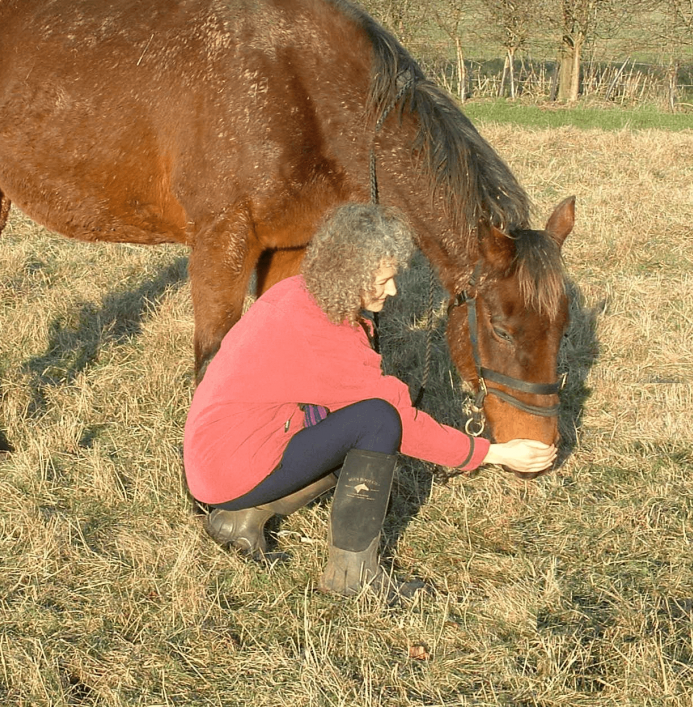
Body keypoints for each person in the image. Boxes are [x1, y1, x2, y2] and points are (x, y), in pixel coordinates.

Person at [183, 203, 556, 598]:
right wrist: (492, 453)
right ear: (348, 276)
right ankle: (351, 577)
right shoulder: (321, 334)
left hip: (217, 458)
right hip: (232, 468)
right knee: (376, 421)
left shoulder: (297, 293)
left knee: (351, 422)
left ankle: (239, 520)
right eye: (383, 280)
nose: (393, 290)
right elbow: (399, 421)